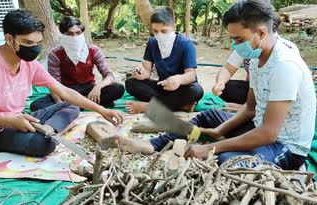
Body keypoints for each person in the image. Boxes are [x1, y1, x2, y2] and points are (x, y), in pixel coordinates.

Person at [116, 0, 316, 170]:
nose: (235, 46)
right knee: (209, 116)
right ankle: (153, 145)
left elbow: (269, 133)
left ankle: (227, 148)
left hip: (285, 146)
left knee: (229, 161)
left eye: (238, 39)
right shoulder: (257, 58)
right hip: (259, 127)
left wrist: (213, 148)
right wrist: (220, 130)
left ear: (261, 33)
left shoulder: (284, 66)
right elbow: (250, 108)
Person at [0, 10, 124, 157]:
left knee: (70, 105)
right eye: (27, 43)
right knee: (44, 145)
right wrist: (10, 121)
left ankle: (48, 131)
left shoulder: (30, 64)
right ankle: (50, 134)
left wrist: (102, 110)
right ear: (9, 39)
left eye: (37, 43)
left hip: (19, 119)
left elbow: (65, 92)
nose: (34, 48)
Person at [30, 16, 124, 112]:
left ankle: (77, 105)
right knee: (36, 106)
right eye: (70, 34)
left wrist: (98, 87)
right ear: (63, 35)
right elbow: (54, 83)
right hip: (65, 91)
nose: (74, 37)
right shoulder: (55, 54)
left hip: (88, 88)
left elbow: (109, 75)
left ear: (82, 34)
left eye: (78, 33)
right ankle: (87, 103)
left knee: (118, 88)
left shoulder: (93, 50)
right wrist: (59, 103)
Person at [125, 7, 204, 114]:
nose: (159, 35)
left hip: (182, 88)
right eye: (155, 31)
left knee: (196, 90)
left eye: (164, 31)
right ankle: (178, 105)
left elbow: (191, 75)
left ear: (174, 27)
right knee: (130, 83)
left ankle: (148, 107)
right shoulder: (152, 43)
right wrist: (141, 73)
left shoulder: (186, 44)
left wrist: (178, 80)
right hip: (163, 87)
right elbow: (147, 70)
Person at [213, 14, 299, 111]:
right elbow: (228, 68)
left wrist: (249, 109)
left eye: (239, 39)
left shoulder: (284, 58)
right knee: (227, 89)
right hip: (254, 92)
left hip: (276, 95)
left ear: (262, 32)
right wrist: (221, 82)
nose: (235, 44)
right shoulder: (247, 47)